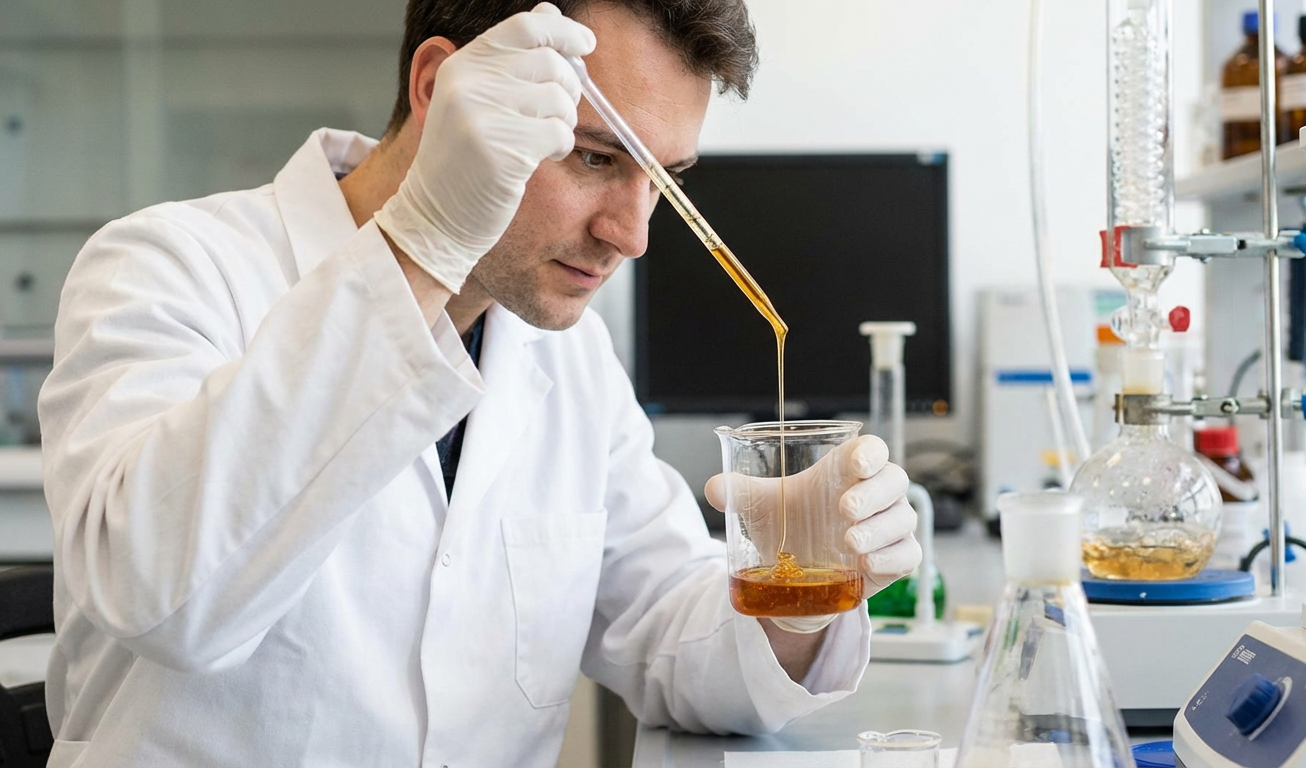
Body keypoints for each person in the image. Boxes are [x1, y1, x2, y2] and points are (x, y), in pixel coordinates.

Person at [36, 1, 923, 765]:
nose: (631, 235)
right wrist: (423, 240)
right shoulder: (167, 268)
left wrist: (803, 582)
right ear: (443, 92)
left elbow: (666, 634)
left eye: (662, 179)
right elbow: (163, 597)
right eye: (592, 157)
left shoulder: (561, 347)